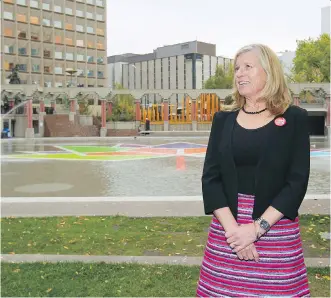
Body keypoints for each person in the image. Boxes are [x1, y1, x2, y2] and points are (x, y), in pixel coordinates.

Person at [196, 44, 310, 297]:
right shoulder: (222, 120)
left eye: (248, 66)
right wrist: (235, 233)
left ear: (269, 72)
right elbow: (210, 179)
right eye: (237, 68)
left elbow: (297, 181)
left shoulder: (295, 119)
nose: (239, 73)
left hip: (275, 229)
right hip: (228, 231)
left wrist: (256, 229)